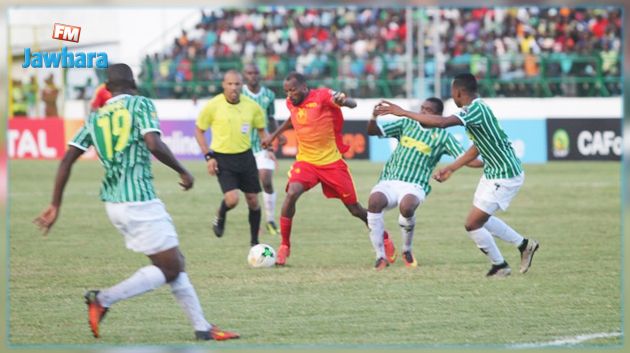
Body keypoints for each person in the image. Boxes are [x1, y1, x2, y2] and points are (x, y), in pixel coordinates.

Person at [33, 63, 239, 341]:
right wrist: (183, 170)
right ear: (134, 83)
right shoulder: (140, 104)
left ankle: (202, 328)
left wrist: (55, 204)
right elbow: (153, 143)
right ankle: (103, 299)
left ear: (106, 89)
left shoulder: (95, 118)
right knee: (172, 267)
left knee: (173, 262)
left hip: (115, 205)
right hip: (139, 200)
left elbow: (67, 160)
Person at [374, 73, 539, 277]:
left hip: (505, 174)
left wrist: (403, 112)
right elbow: (476, 148)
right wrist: (451, 168)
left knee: (472, 224)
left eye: (452, 91)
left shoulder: (475, 109)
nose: (451, 95)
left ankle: (502, 263)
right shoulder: (477, 110)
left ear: (459, 92)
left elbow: (442, 123)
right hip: (492, 173)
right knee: (482, 219)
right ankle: (521, 248)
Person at [262, 72, 392, 266]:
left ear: (304, 87)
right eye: (287, 91)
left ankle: (385, 237)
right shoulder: (291, 103)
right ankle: (284, 246)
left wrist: (343, 101)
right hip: (306, 162)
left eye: (293, 90)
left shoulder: (322, 96)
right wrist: (273, 135)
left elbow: (351, 103)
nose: (290, 95)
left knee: (354, 209)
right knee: (292, 192)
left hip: (331, 164)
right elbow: (293, 118)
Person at [367, 97, 483, 270]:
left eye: (427, 110)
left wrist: (487, 161)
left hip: (415, 185)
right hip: (389, 180)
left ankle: (407, 249)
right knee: (374, 201)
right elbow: (373, 131)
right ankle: (380, 257)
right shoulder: (406, 124)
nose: (422, 112)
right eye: (421, 108)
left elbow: (467, 159)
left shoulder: (443, 137)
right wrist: (374, 117)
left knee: (406, 207)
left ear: (437, 115)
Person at [195, 70, 267, 247]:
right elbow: (199, 131)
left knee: (253, 200)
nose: (233, 87)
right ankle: (221, 212)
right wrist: (208, 156)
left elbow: (262, 131)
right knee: (232, 200)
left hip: (246, 157)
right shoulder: (213, 106)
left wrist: (269, 146)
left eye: (237, 84)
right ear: (223, 85)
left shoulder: (252, 106)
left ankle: (254, 243)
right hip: (223, 158)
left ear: (242, 85)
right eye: (230, 84)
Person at [242, 63, 282, 236]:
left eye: (255, 72)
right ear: (245, 75)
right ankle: (255, 220)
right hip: (243, 146)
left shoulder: (269, 95)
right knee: (250, 187)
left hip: (263, 144)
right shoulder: (239, 93)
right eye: (249, 73)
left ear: (260, 74)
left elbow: (271, 118)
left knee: (265, 179)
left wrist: (277, 134)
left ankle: (271, 219)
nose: (252, 75)